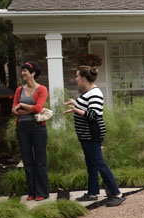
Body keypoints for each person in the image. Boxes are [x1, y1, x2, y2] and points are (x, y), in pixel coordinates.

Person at [64, 66, 126, 207]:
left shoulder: (95, 93)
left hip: (92, 134)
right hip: (85, 134)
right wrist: (76, 104)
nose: (76, 79)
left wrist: (76, 110)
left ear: (84, 79)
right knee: (91, 164)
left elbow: (93, 114)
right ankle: (92, 193)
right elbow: (88, 108)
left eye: (77, 76)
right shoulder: (88, 92)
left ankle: (118, 194)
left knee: (99, 164)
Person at [12, 62, 49, 201]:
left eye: (25, 71)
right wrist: (28, 108)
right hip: (22, 128)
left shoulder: (42, 89)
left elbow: (38, 108)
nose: (22, 73)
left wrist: (21, 105)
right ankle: (32, 192)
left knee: (40, 160)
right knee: (27, 161)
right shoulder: (19, 90)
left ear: (33, 73)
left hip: (37, 128)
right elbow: (13, 110)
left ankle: (42, 192)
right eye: (22, 71)